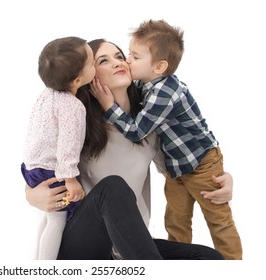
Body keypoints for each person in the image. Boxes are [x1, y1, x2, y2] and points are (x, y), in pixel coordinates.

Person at [25, 38, 234, 260]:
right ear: (87, 76)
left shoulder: (148, 126)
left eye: (120, 56)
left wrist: (221, 177)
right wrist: (31, 195)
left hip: (126, 247)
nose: (117, 63)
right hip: (81, 244)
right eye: (103, 60)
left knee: (209, 258)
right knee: (113, 187)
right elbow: (39, 160)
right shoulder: (79, 122)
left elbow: (185, 167)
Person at [92, 20, 242, 259]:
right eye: (127, 54)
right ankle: (180, 261)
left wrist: (109, 106)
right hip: (176, 166)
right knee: (176, 219)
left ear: (160, 66)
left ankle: (234, 267)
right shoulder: (143, 86)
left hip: (202, 163)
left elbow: (136, 131)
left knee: (218, 221)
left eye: (133, 56)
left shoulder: (164, 92)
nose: (126, 61)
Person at [21, 36, 96, 260]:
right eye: (92, 64)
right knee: (57, 221)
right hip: (52, 172)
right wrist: (70, 178)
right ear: (77, 80)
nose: (94, 67)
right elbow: (68, 146)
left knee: (48, 218)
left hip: (32, 167)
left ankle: (37, 263)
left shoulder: (47, 95)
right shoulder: (72, 106)